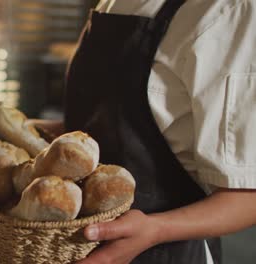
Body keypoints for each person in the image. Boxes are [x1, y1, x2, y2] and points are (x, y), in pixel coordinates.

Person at [33, 0, 256, 263]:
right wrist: (34, 133)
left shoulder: (230, 9)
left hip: (163, 253)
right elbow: (109, 122)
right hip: (71, 244)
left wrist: (155, 230)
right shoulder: (112, 3)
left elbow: (245, 196)